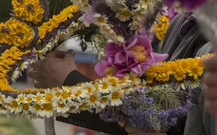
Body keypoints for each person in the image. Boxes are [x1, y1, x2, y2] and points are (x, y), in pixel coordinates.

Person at [29, 13, 208, 135]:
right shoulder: (180, 22)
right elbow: (155, 109)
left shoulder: (210, 41)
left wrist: (71, 84)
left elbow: (171, 122)